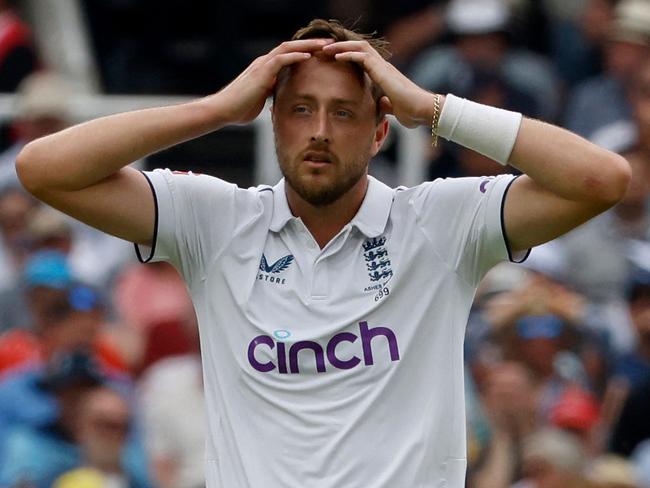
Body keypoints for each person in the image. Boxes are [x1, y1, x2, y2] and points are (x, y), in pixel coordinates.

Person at [15, 17, 630, 488]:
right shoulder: (213, 219)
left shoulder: (441, 223)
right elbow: (44, 169)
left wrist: (434, 109)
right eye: (300, 110)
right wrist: (216, 110)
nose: (319, 132)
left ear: (381, 129)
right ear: (273, 120)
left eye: (344, 113)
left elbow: (601, 179)